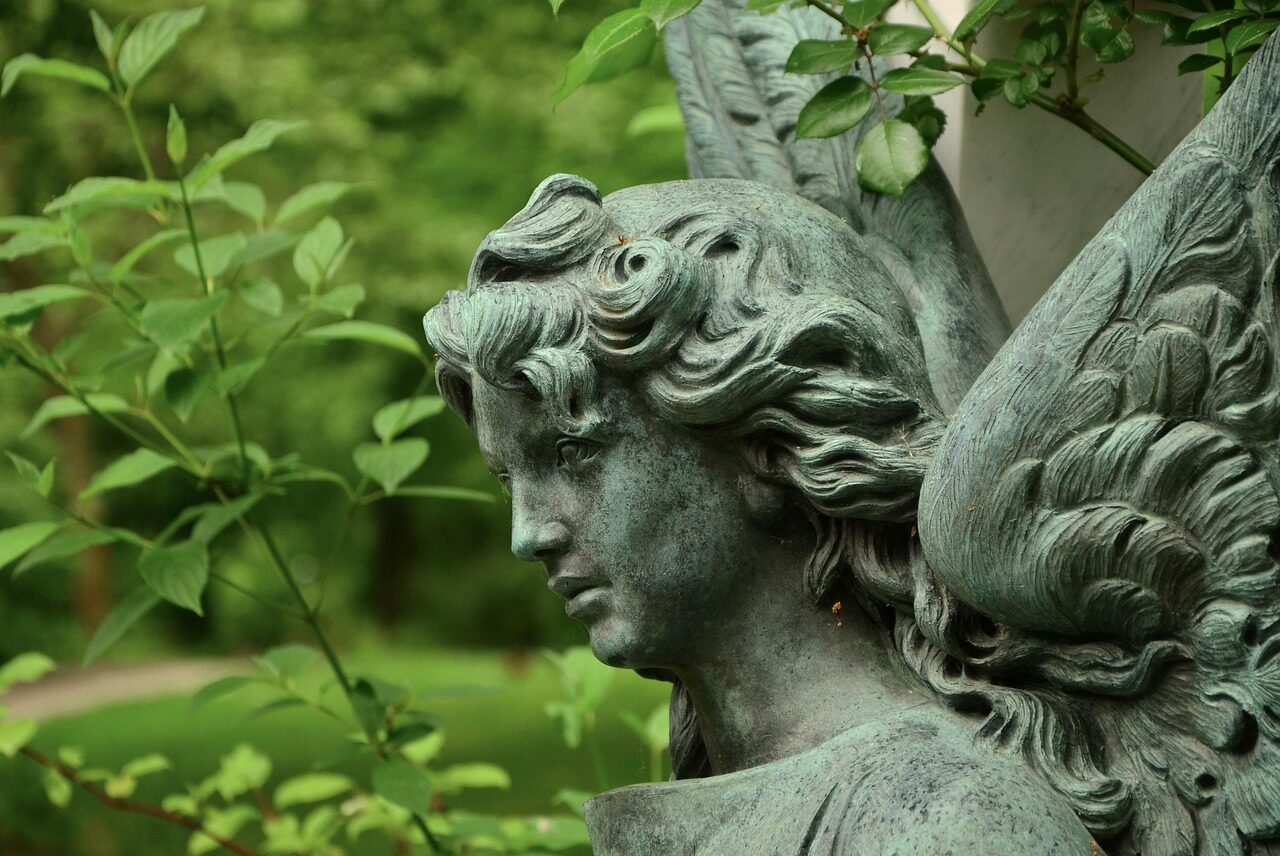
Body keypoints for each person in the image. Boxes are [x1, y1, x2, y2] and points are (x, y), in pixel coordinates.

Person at [423, 174, 1098, 853]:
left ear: (762, 443)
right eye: (510, 479)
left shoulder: (951, 822)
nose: (528, 533)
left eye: (573, 453)